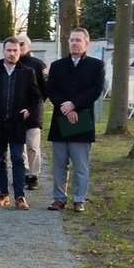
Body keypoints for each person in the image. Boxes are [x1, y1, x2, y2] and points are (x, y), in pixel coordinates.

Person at [46, 27, 104, 212]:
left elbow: (96, 90)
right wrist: (65, 106)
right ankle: (59, 198)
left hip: (82, 119)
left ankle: (79, 199)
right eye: (72, 40)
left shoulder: (96, 66)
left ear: (86, 43)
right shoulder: (57, 66)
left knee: (81, 165)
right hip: (60, 119)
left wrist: (74, 105)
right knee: (59, 164)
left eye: (78, 40)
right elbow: (51, 90)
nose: (74, 43)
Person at [0, 37, 39, 210]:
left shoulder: (27, 72)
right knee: (0, 160)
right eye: (9, 50)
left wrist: (29, 109)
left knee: (17, 158)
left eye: (15, 50)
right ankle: (3, 193)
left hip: (17, 124)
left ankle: (20, 196)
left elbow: (36, 96)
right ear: (3, 51)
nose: (12, 53)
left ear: (20, 52)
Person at [17, 34, 48, 190]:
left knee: (33, 146)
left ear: (28, 46)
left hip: (34, 113)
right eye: (17, 43)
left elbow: (44, 89)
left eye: (22, 43)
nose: (19, 46)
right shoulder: (11, 64)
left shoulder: (38, 65)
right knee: (19, 146)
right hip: (16, 114)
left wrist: (35, 107)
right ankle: (25, 173)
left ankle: (34, 175)